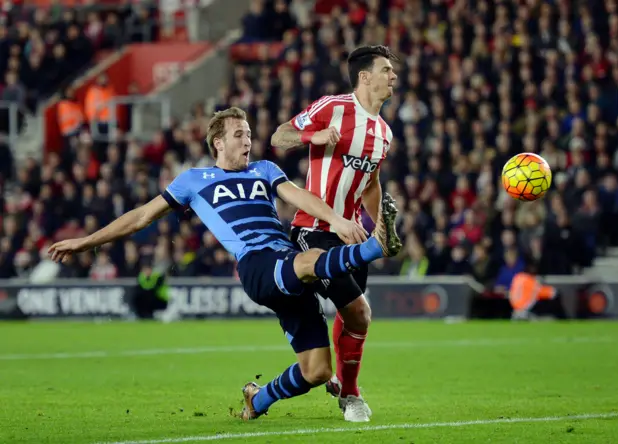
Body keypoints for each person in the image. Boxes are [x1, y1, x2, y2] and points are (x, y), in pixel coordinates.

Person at [48, 107, 402, 421]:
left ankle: (258, 399)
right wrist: (85, 242)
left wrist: (337, 222)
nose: (247, 140)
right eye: (238, 135)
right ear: (218, 142)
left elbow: (301, 197)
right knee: (312, 260)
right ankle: (376, 246)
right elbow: (141, 216)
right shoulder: (194, 180)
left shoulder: (264, 169)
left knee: (319, 371)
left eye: (249, 134)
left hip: (286, 263)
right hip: (257, 264)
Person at [270, 45, 398, 422]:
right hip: (314, 230)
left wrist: (381, 229)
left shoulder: (384, 133)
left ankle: (343, 383)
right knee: (360, 311)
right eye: (386, 70)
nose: (393, 76)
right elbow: (279, 137)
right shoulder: (333, 107)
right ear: (364, 76)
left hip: (352, 233)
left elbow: (371, 183)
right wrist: (313, 137)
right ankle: (352, 395)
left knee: (354, 314)